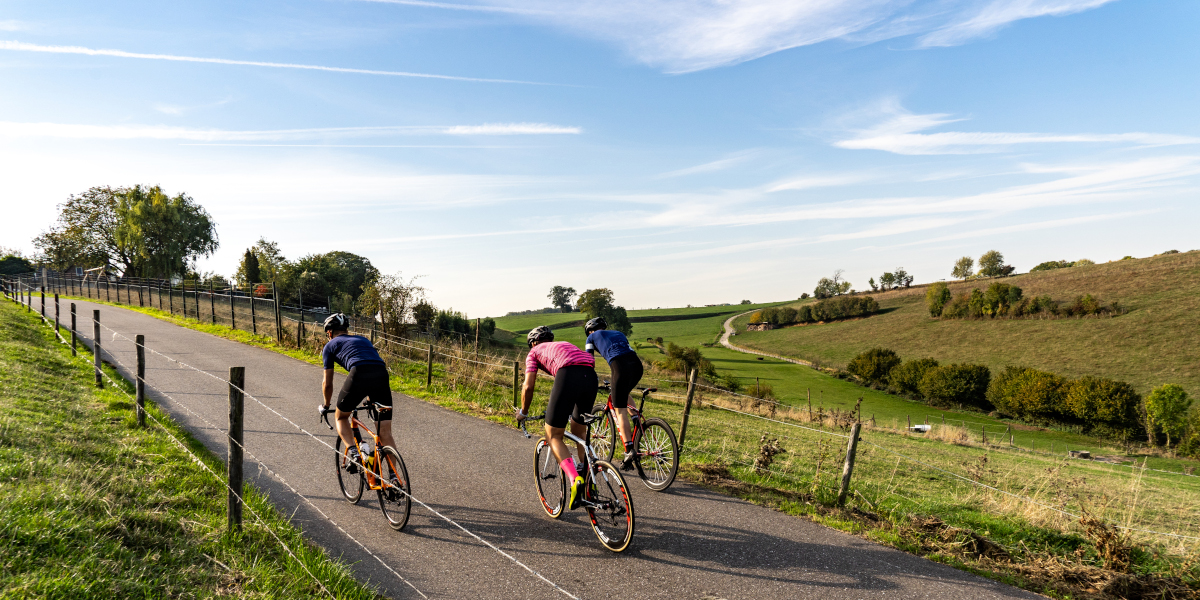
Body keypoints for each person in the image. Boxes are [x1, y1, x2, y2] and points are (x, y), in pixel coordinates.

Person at [515, 326, 597, 510]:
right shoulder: (564, 344)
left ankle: (575, 480)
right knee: (579, 431)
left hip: (568, 374)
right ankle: (588, 476)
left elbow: (528, 386)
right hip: (590, 375)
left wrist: (523, 412)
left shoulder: (534, 352)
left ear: (533, 343)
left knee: (553, 435)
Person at [318, 313, 395, 474]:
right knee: (385, 433)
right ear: (346, 329)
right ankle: (395, 478)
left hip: (359, 373)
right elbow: (371, 364)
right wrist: (369, 398)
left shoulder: (330, 346)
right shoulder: (363, 340)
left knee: (341, 416)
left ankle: (354, 453)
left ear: (330, 332)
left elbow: (328, 383)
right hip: (381, 373)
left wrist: (326, 405)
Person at [584, 317, 643, 470]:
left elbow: (589, 360)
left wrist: (589, 378)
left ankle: (629, 450)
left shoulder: (591, 337)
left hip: (620, 367)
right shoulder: (618, 332)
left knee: (620, 410)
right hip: (637, 365)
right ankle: (637, 421)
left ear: (590, 331)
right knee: (624, 393)